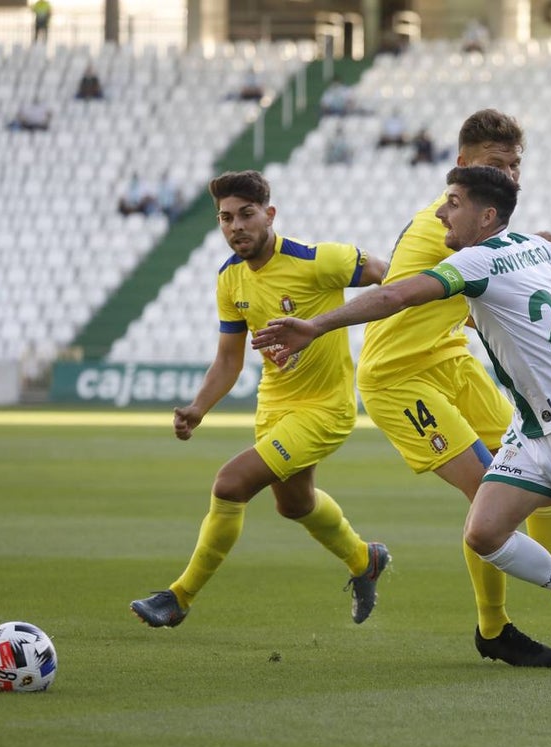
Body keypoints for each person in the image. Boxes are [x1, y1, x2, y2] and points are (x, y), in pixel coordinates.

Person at [253, 165, 551, 674]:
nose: (442, 212)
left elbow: (395, 295)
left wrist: (315, 326)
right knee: (484, 534)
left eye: (454, 203)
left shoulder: (475, 262)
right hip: (532, 430)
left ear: (487, 216)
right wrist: (547, 241)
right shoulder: (530, 248)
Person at [130, 170, 390, 629]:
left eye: (246, 214)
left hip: (325, 409)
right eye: (225, 218)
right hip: (274, 405)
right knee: (294, 505)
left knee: (230, 483)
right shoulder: (230, 279)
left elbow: (392, 280)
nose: (236, 226)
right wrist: (198, 407)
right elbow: (229, 359)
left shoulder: (319, 260)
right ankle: (363, 559)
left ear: (269, 214)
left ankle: (178, 597)